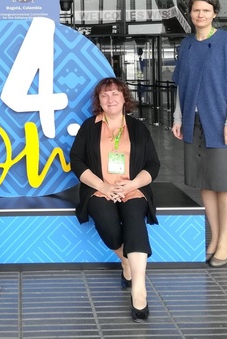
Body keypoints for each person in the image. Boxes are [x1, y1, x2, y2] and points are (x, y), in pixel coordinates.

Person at [70, 77, 161, 323]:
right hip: (99, 189)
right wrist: (103, 186)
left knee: (134, 219)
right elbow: (76, 161)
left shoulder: (138, 127)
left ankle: (139, 289)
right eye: (105, 95)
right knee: (107, 223)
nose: (110, 99)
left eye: (115, 94)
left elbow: (153, 164)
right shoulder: (89, 127)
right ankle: (126, 262)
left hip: (132, 188)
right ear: (99, 101)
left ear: (124, 98)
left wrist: (132, 184)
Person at [171, 0, 227, 268]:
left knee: (225, 184)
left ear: (215, 13)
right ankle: (215, 239)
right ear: (190, 14)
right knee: (205, 182)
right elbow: (181, 85)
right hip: (194, 122)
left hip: (220, 122)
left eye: (206, 10)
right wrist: (178, 117)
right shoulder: (186, 45)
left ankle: (225, 242)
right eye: (196, 10)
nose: (200, 14)